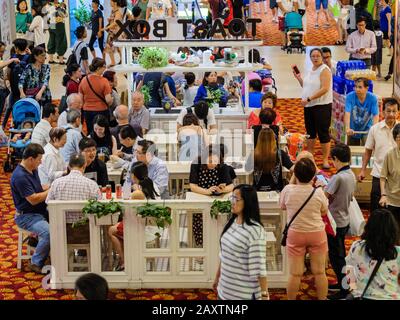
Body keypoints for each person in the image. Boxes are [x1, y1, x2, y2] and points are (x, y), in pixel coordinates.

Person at [280, 158, 329, 300]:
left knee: (295, 274)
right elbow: (324, 211)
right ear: (313, 175)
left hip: (295, 233)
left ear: (295, 173)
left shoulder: (287, 190)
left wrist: (292, 180)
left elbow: (282, 206)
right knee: (320, 272)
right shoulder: (318, 192)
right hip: (317, 233)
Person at [214, 184, 269, 300]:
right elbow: (224, 255)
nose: (232, 202)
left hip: (243, 295)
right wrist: (217, 278)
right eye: (231, 198)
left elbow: (259, 268)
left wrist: (264, 295)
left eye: (236, 199)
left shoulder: (255, 231)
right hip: (224, 291)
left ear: (248, 202)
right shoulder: (233, 221)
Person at [108, 161, 159, 271]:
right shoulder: (152, 185)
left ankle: (124, 262)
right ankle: (128, 258)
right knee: (118, 227)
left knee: (111, 230)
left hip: (142, 228)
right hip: (152, 225)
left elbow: (126, 209)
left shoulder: (138, 193)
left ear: (133, 175)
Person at [324, 143, 356, 300]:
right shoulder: (350, 174)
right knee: (340, 255)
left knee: (337, 258)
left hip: (334, 221)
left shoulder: (338, 177)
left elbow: (325, 197)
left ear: (336, 159)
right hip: (344, 219)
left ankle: (344, 290)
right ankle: (343, 283)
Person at [345, 208, 400, 300]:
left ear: (368, 227)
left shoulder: (357, 246)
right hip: (389, 297)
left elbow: (348, 269)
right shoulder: (397, 252)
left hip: (361, 296)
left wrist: (354, 289)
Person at [11, 143, 49, 274]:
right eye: (39, 159)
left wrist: (53, 185)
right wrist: (51, 191)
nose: (41, 162)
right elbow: (33, 199)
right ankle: (35, 262)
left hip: (38, 212)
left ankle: (36, 241)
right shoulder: (20, 177)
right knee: (48, 233)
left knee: (61, 222)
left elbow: (39, 188)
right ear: (31, 159)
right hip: (27, 216)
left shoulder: (33, 170)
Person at [293, 47, 332, 169]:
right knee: (310, 132)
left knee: (323, 133)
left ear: (322, 57)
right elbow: (306, 86)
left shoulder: (324, 70)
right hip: (309, 106)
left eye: (317, 56)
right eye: (313, 56)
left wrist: (309, 99)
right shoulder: (311, 70)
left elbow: (325, 89)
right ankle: (311, 156)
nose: (315, 58)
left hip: (321, 106)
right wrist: (298, 78)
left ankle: (325, 159)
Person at [359, 99, 399, 213]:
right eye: (388, 111)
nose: (391, 114)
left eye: (394, 111)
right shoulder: (374, 129)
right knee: (377, 210)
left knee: (394, 210)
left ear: (397, 112)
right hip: (378, 173)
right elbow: (368, 151)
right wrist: (363, 170)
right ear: (382, 112)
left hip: (397, 177)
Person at [250, 127, 293, 191]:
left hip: (258, 191)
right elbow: (294, 169)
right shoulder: (280, 154)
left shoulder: (253, 154)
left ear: (259, 140)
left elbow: (246, 169)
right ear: (274, 139)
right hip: (277, 192)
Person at [79, 58, 113, 134]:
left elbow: (80, 99)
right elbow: (108, 100)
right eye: (103, 66)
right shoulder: (104, 81)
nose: (105, 68)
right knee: (103, 132)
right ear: (98, 68)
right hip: (101, 111)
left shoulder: (84, 80)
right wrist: (111, 100)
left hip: (87, 111)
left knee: (91, 131)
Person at [344, 78, 379, 146]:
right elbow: (347, 113)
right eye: (355, 87)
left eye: (360, 87)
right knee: (352, 150)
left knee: (368, 149)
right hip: (353, 128)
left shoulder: (373, 98)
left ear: (367, 88)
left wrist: (374, 130)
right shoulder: (349, 97)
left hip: (367, 128)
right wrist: (347, 128)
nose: (357, 89)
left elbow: (375, 115)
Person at [379, 123, 400, 230]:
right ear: (395, 139)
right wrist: (383, 194)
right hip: (392, 200)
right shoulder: (390, 155)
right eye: (398, 138)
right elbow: (383, 177)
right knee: (393, 232)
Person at [0, 42, 20, 120]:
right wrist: (11, 60)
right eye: (1, 51)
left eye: (3, 51)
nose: (2, 54)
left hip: (3, 89)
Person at [45, 0, 68, 65]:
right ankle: (61, 61)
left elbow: (47, 17)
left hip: (51, 24)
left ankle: (51, 59)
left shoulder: (47, 5)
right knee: (61, 41)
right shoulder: (58, 5)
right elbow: (64, 15)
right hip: (58, 24)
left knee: (52, 39)